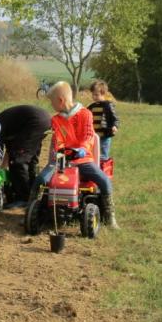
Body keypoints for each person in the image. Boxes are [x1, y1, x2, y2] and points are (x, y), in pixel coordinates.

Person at [34, 81, 119, 229]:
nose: (51, 105)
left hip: (83, 159)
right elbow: (58, 139)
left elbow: (88, 136)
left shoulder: (85, 114)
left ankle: (109, 216)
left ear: (60, 101)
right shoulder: (56, 119)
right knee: (40, 179)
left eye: (52, 102)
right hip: (60, 161)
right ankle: (33, 212)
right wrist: (61, 153)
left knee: (104, 180)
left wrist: (80, 150)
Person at [0, 104, 51, 207]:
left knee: (18, 160)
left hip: (34, 122)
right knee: (30, 157)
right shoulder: (2, 121)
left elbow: (1, 152)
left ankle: (23, 197)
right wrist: (3, 166)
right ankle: (32, 190)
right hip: (44, 119)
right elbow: (9, 149)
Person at [87, 79, 120, 161]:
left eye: (96, 95)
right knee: (93, 154)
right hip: (94, 136)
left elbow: (115, 118)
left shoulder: (108, 105)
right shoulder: (91, 107)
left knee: (103, 155)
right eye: (93, 95)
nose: (94, 97)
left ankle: (104, 169)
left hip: (105, 135)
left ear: (103, 94)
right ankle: (95, 169)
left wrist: (115, 126)